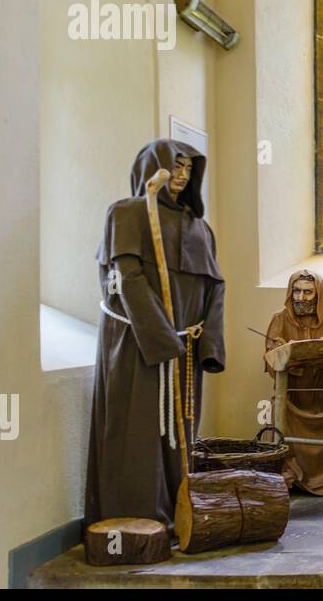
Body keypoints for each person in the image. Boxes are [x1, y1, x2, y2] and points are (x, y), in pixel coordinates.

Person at [85, 139, 225, 529]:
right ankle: (137, 521)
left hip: (185, 348)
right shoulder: (127, 214)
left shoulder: (200, 229)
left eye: (187, 169)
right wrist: (163, 341)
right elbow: (127, 280)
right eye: (174, 166)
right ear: (153, 167)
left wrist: (207, 344)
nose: (181, 175)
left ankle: (179, 514)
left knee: (179, 436)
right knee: (138, 434)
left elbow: (216, 287)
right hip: (138, 346)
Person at [264, 270, 323, 495]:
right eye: (296, 291)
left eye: (307, 292)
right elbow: (271, 362)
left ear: (319, 294)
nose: (301, 297)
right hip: (293, 396)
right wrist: (283, 353)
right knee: (278, 407)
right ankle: (289, 469)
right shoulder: (279, 319)